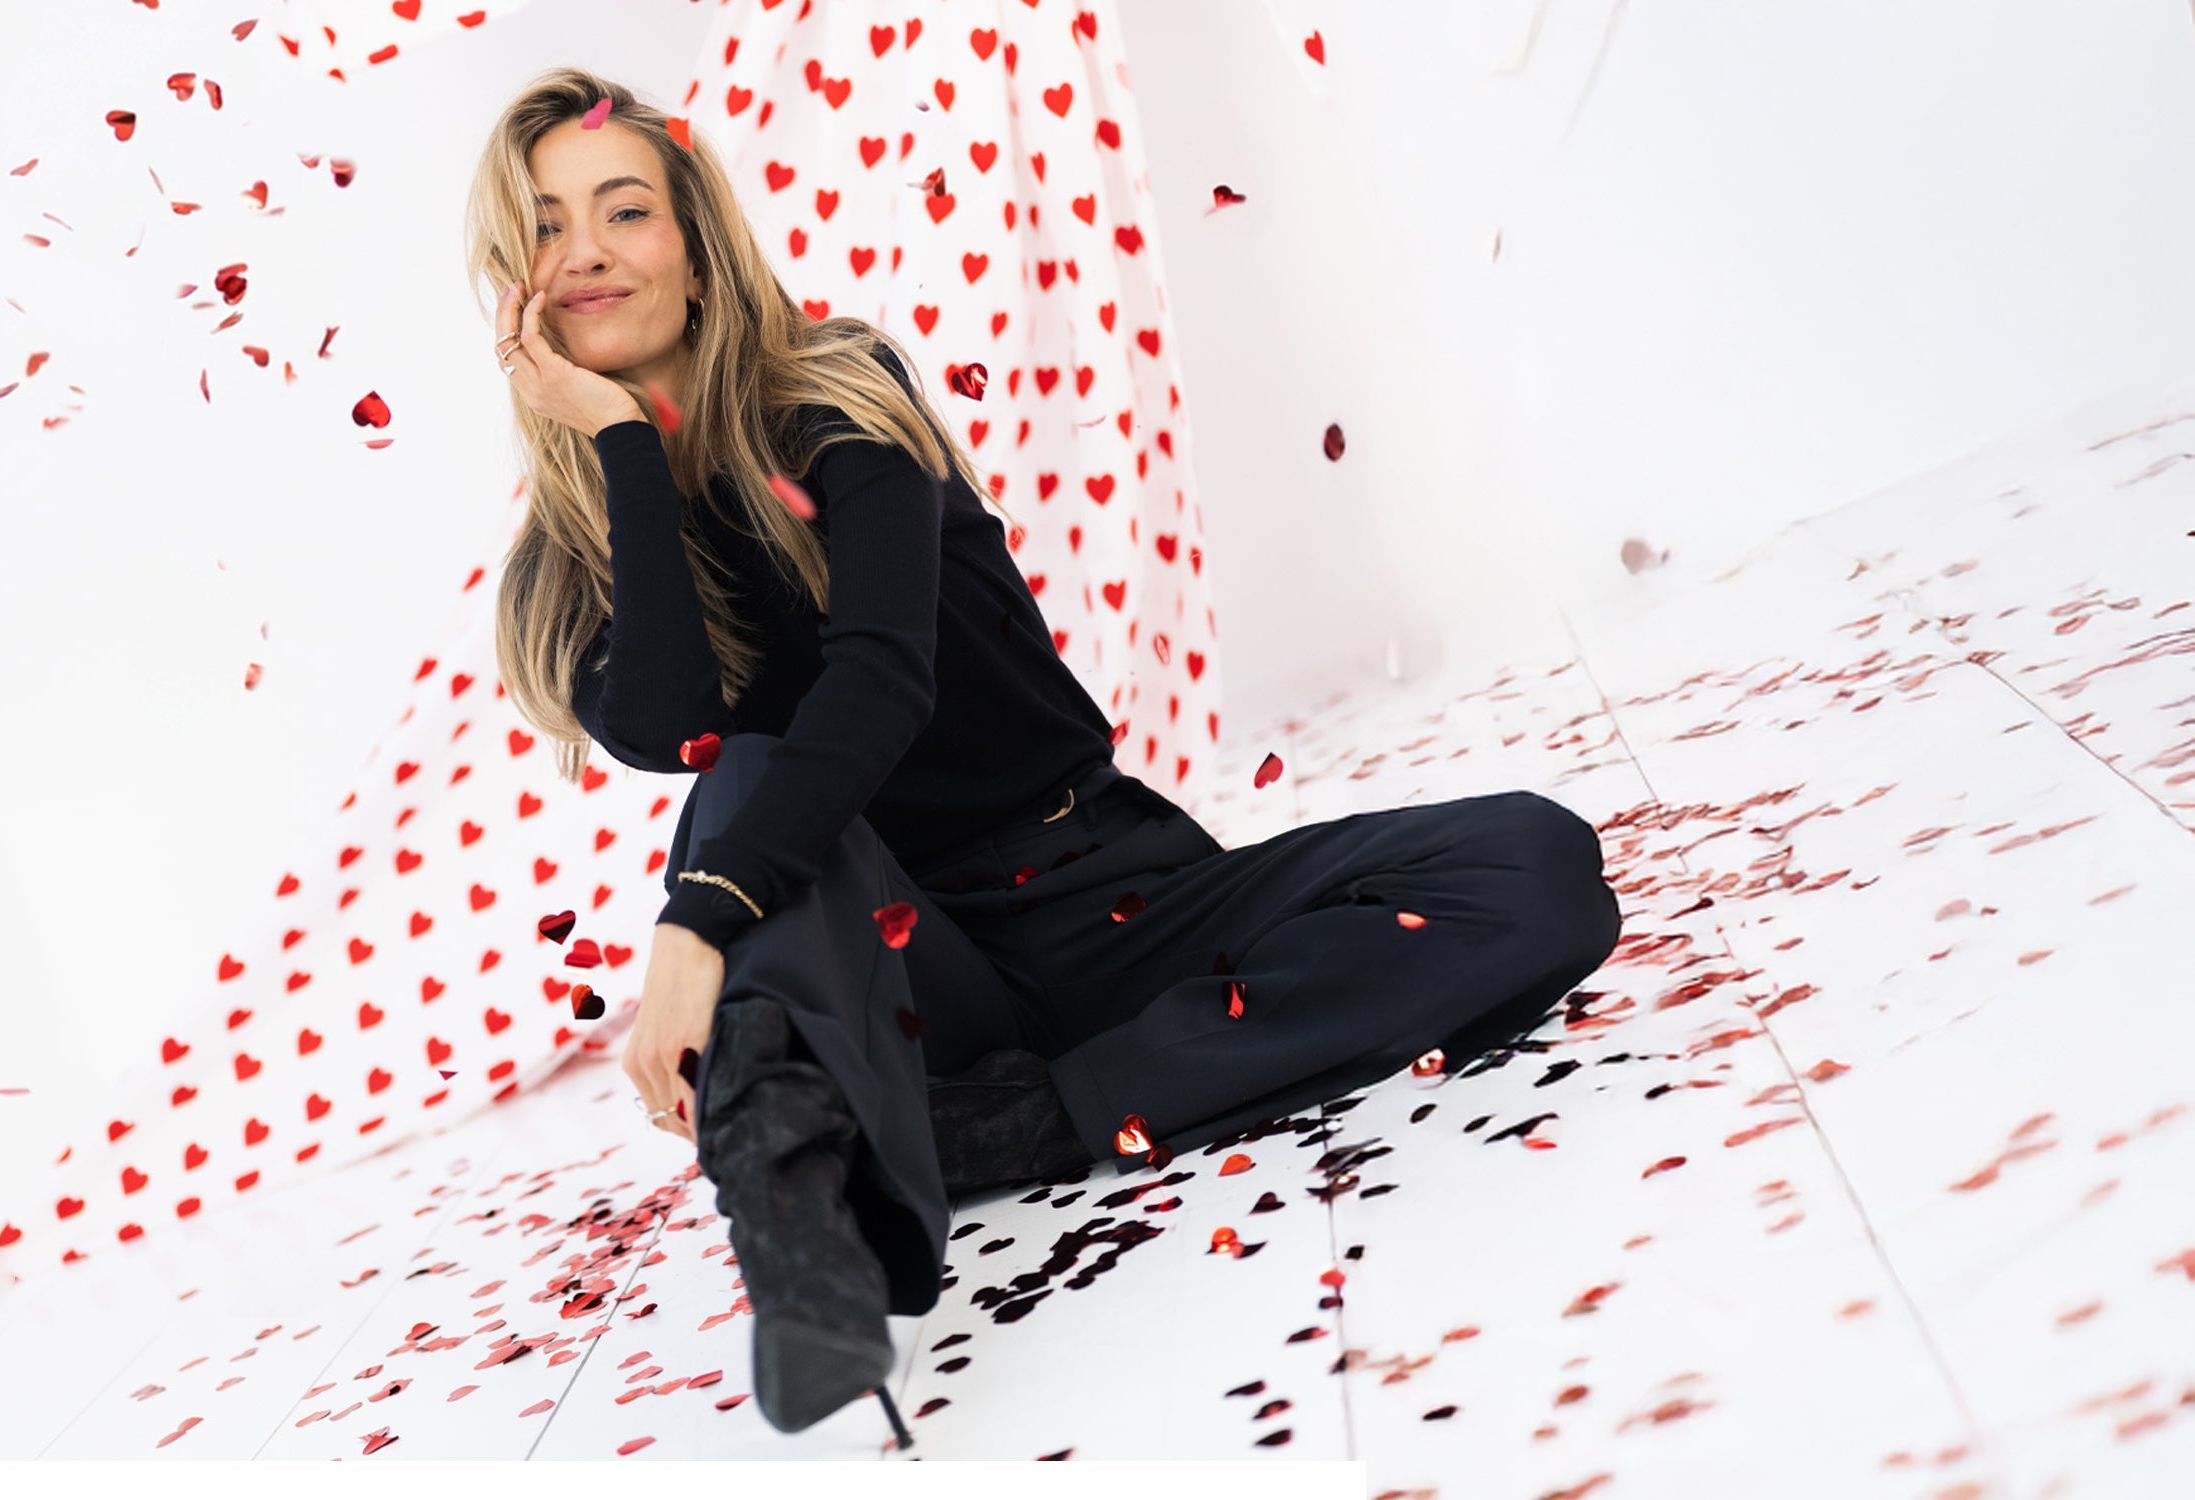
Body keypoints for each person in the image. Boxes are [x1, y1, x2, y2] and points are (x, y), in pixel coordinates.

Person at [479, 68, 1621, 1443]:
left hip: (1116, 890)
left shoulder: (838, 389)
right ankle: (805, 1254)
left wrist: (697, 923)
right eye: (547, 226)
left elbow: (882, 678)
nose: (589, 251)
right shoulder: (572, 558)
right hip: (913, 966)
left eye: (626, 211)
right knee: (746, 784)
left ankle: (998, 1133)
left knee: (1536, 869)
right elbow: (674, 733)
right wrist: (623, 455)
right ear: (513, 275)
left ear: (699, 244)